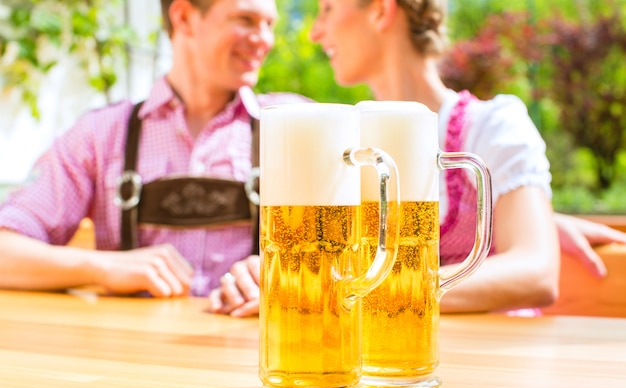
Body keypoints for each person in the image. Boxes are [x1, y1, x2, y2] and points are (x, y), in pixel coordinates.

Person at [206, 0, 626, 316]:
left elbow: (535, 271)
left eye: (328, 9)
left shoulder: (491, 126)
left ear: (381, 11)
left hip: (493, 372)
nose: (316, 32)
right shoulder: (345, 137)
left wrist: (351, 293)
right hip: (376, 378)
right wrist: (279, 280)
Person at [0, 0, 309, 298]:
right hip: (133, 349)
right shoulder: (101, 134)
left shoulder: (295, 128)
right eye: (246, 20)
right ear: (184, 17)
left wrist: (289, 279)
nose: (265, 40)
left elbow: (346, 264)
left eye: (270, 24)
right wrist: (103, 267)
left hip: (252, 349)